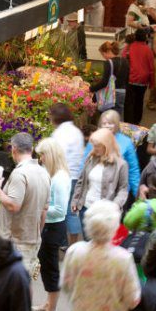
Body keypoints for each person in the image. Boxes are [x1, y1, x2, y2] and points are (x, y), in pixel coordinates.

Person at [0, 132, 51, 273]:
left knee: (7, 290)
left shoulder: (20, 174)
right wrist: (36, 234)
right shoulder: (44, 173)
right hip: (31, 241)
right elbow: (44, 211)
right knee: (22, 288)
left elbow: (13, 205)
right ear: (31, 148)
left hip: (14, 244)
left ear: (14, 149)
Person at [31, 138, 71, 311]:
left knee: (50, 268)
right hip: (50, 226)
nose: (41, 159)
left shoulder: (60, 179)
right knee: (47, 267)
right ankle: (48, 303)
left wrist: (38, 209)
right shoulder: (57, 175)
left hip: (53, 227)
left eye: (43, 155)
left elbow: (60, 210)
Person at [71, 129, 129, 220]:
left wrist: (114, 206)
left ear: (107, 145)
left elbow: (123, 189)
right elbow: (81, 181)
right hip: (85, 209)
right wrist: (75, 201)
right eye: (94, 145)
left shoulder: (121, 164)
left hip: (105, 214)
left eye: (98, 146)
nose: (94, 148)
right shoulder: (90, 158)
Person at [48, 104, 85, 245]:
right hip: (76, 175)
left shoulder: (59, 134)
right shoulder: (76, 131)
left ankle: (63, 242)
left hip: (63, 176)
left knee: (61, 210)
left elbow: (57, 157)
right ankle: (73, 244)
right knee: (71, 211)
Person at [90, 110, 141, 201]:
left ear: (116, 124)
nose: (107, 126)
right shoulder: (94, 138)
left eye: (110, 123)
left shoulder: (126, 142)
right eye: (104, 123)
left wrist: (137, 193)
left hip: (117, 193)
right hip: (95, 189)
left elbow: (133, 169)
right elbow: (85, 163)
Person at [123, 29, 154, 126]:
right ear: (145, 37)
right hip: (143, 81)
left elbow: (123, 57)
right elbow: (151, 67)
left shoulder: (130, 47)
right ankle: (136, 122)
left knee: (129, 102)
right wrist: (152, 82)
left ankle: (128, 122)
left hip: (131, 79)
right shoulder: (148, 50)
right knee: (139, 102)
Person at [90, 41, 129, 114]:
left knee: (107, 117)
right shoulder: (125, 61)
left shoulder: (109, 63)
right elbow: (127, 78)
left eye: (103, 54)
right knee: (117, 117)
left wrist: (91, 89)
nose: (103, 57)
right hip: (122, 92)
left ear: (107, 51)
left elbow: (104, 82)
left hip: (111, 94)